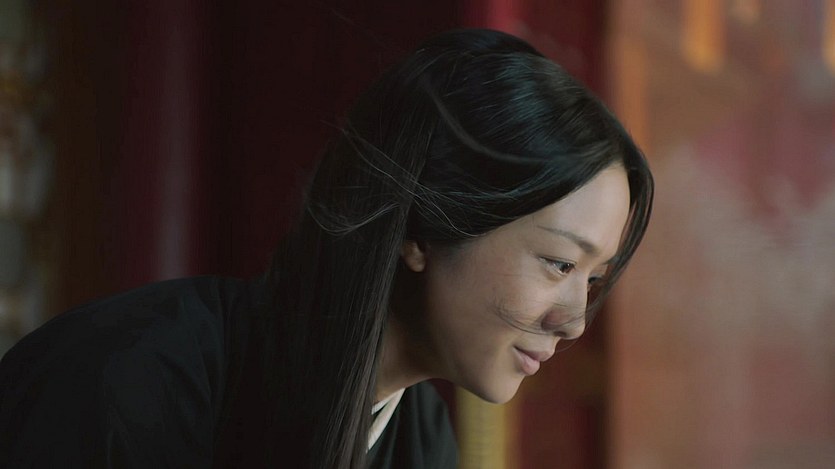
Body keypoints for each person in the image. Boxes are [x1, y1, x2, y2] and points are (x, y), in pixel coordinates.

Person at [0, 29, 653, 468]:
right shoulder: (125, 383)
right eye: (559, 263)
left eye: (593, 278)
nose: (574, 320)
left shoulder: (421, 438)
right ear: (421, 227)